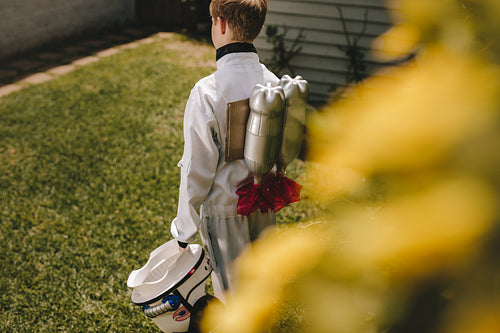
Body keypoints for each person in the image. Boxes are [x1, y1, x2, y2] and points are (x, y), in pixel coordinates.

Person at [170, 0, 278, 302]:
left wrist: (183, 229)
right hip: (264, 202)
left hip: (224, 209)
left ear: (220, 24)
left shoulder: (207, 91)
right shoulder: (273, 82)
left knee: (232, 295)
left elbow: (196, 167)